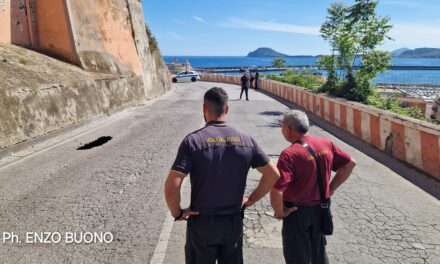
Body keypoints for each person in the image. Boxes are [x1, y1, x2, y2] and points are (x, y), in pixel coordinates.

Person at [164, 87, 280, 264]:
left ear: (204, 109)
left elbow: (173, 185)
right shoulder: (247, 140)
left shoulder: (193, 141)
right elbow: (273, 174)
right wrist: (250, 200)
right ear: (226, 109)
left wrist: (178, 212)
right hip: (232, 222)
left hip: (202, 223)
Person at [270, 110, 356, 264]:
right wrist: (331, 189)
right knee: (318, 252)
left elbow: (277, 191)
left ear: (288, 129)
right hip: (321, 209)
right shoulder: (325, 143)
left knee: (296, 256)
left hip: (296, 213)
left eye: (282, 127)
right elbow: (350, 164)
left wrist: (280, 212)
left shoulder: (289, 154)